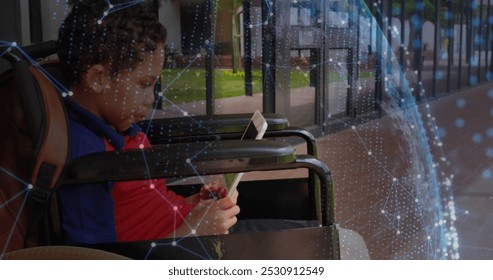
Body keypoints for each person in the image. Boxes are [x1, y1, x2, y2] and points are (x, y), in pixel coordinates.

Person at [56, 0, 239, 245]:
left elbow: (145, 206)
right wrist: (194, 231)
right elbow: (98, 261)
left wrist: (194, 205)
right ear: (98, 79)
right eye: (144, 84)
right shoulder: (87, 160)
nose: (151, 98)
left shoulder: (112, 127)